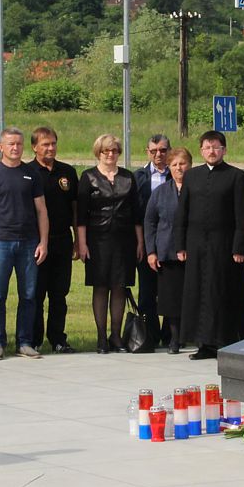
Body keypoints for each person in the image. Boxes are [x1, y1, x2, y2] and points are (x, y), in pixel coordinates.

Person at [178, 130, 244, 360]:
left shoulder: (236, 177)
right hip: (196, 245)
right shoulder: (191, 176)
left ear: (224, 150)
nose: (212, 151)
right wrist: (181, 245)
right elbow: (182, 212)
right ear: (201, 151)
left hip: (225, 246)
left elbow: (243, 215)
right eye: (207, 147)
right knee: (200, 292)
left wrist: (240, 247)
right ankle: (204, 344)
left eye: (216, 147)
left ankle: (226, 342)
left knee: (222, 291)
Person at [0, 127, 49, 360]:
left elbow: (42, 211)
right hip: (0, 243)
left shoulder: (31, 174)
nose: (15, 148)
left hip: (29, 243)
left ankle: (25, 342)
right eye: (11, 144)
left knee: (28, 295)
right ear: (1, 147)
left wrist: (43, 242)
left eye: (19, 144)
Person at [77, 133, 141, 354]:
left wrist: (140, 242)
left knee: (120, 286)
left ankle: (116, 336)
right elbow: (81, 215)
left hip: (125, 239)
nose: (110, 154)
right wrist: (82, 243)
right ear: (99, 153)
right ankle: (101, 337)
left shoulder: (128, 177)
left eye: (114, 150)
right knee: (101, 286)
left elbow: (136, 213)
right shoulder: (88, 177)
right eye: (106, 151)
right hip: (97, 240)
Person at [28, 127, 77, 353]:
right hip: (35, 243)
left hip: (62, 240)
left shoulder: (67, 172)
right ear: (34, 147)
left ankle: (58, 339)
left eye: (53, 143)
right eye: (45, 144)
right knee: (36, 293)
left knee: (59, 294)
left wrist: (78, 240)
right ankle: (34, 340)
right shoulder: (27, 172)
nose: (50, 148)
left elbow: (75, 208)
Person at [145, 147, 192, 353]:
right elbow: (150, 222)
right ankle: (174, 338)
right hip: (167, 252)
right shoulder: (160, 192)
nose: (178, 168)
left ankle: (191, 335)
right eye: (174, 164)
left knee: (191, 296)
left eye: (182, 163)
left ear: (190, 165)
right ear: (169, 167)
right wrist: (151, 251)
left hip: (192, 252)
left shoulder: (197, 190)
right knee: (170, 299)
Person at [133, 133, 171, 346]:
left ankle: (171, 335)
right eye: (154, 151)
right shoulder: (138, 177)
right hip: (146, 240)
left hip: (171, 240)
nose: (159, 154)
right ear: (147, 152)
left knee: (171, 289)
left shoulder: (177, 173)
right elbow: (136, 213)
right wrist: (141, 244)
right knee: (147, 291)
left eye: (163, 150)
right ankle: (149, 335)